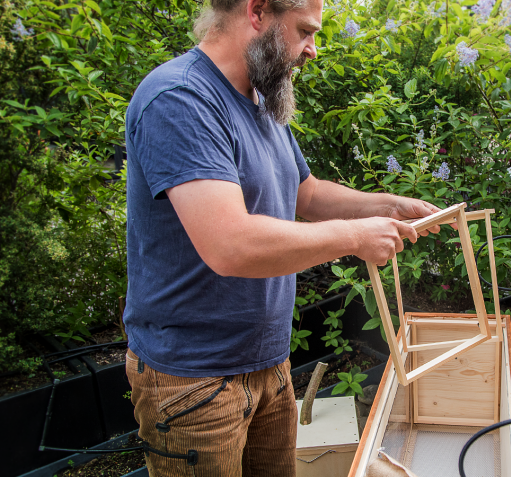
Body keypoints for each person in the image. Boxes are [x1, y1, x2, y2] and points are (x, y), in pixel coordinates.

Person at [123, 0, 442, 475]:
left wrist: (387, 205)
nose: (313, 50)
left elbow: (305, 193)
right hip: (195, 384)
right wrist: (355, 236)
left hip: (270, 365)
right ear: (257, 12)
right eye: (305, 31)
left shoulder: (258, 99)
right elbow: (230, 244)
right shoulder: (180, 99)